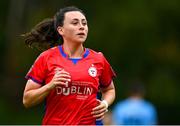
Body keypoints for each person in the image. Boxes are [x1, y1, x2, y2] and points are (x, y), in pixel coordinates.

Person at [22, 6, 116, 125]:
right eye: (75, 23)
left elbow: (109, 89)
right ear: (61, 30)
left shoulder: (98, 59)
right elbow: (27, 100)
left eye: (84, 23)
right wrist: (50, 85)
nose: (81, 26)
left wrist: (104, 103)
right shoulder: (46, 58)